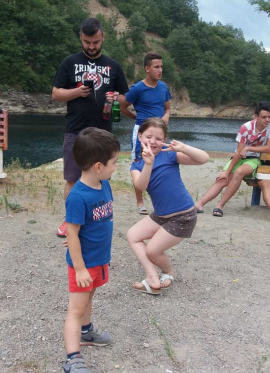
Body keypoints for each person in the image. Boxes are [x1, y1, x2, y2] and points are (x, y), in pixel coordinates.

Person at [52, 18, 129, 238]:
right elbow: (56, 93)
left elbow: (125, 98)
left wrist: (116, 98)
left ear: (103, 37)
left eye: (95, 42)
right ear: (80, 37)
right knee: (72, 178)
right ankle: (70, 220)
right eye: (87, 42)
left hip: (103, 133)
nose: (91, 47)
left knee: (102, 178)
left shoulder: (114, 66)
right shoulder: (69, 62)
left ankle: (99, 218)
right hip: (75, 130)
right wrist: (76, 92)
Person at [127, 118, 209, 294]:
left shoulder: (170, 155)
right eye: (149, 136)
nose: (153, 141)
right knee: (133, 235)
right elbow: (140, 186)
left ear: (164, 140)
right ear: (140, 136)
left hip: (183, 217)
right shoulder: (137, 164)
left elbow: (204, 159)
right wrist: (148, 164)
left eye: (159, 138)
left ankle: (168, 272)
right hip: (162, 215)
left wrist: (184, 148)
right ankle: (152, 278)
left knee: (152, 251)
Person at [62, 127, 120, 373]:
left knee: (90, 297)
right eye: (114, 162)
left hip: (98, 260)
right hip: (83, 265)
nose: (116, 166)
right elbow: (71, 232)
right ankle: (72, 359)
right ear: (98, 166)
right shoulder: (78, 196)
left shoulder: (104, 185)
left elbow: (91, 225)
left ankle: (87, 332)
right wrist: (79, 267)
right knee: (76, 308)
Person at [194, 101, 270, 216]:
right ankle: (199, 204)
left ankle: (220, 205)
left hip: (254, 159)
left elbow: (269, 148)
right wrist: (227, 171)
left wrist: (249, 148)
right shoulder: (246, 128)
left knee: (239, 171)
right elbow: (239, 152)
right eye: (264, 117)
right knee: (223, 179)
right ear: (256, 117)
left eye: (269, 116)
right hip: (239, 156)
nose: (267, 120)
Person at [119, 52, 172, 215]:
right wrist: (137, 119)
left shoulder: (163, 87)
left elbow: (168, 108)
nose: (160, 70)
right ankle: (140, 202)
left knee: (161, 163)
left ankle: (160, 200)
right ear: (147, 69)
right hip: (141, 133)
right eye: (156, 67)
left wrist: (163, 120)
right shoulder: (137, 88)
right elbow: (122, 107)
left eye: (161, 66)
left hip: (159, 133)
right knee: (140, 163)